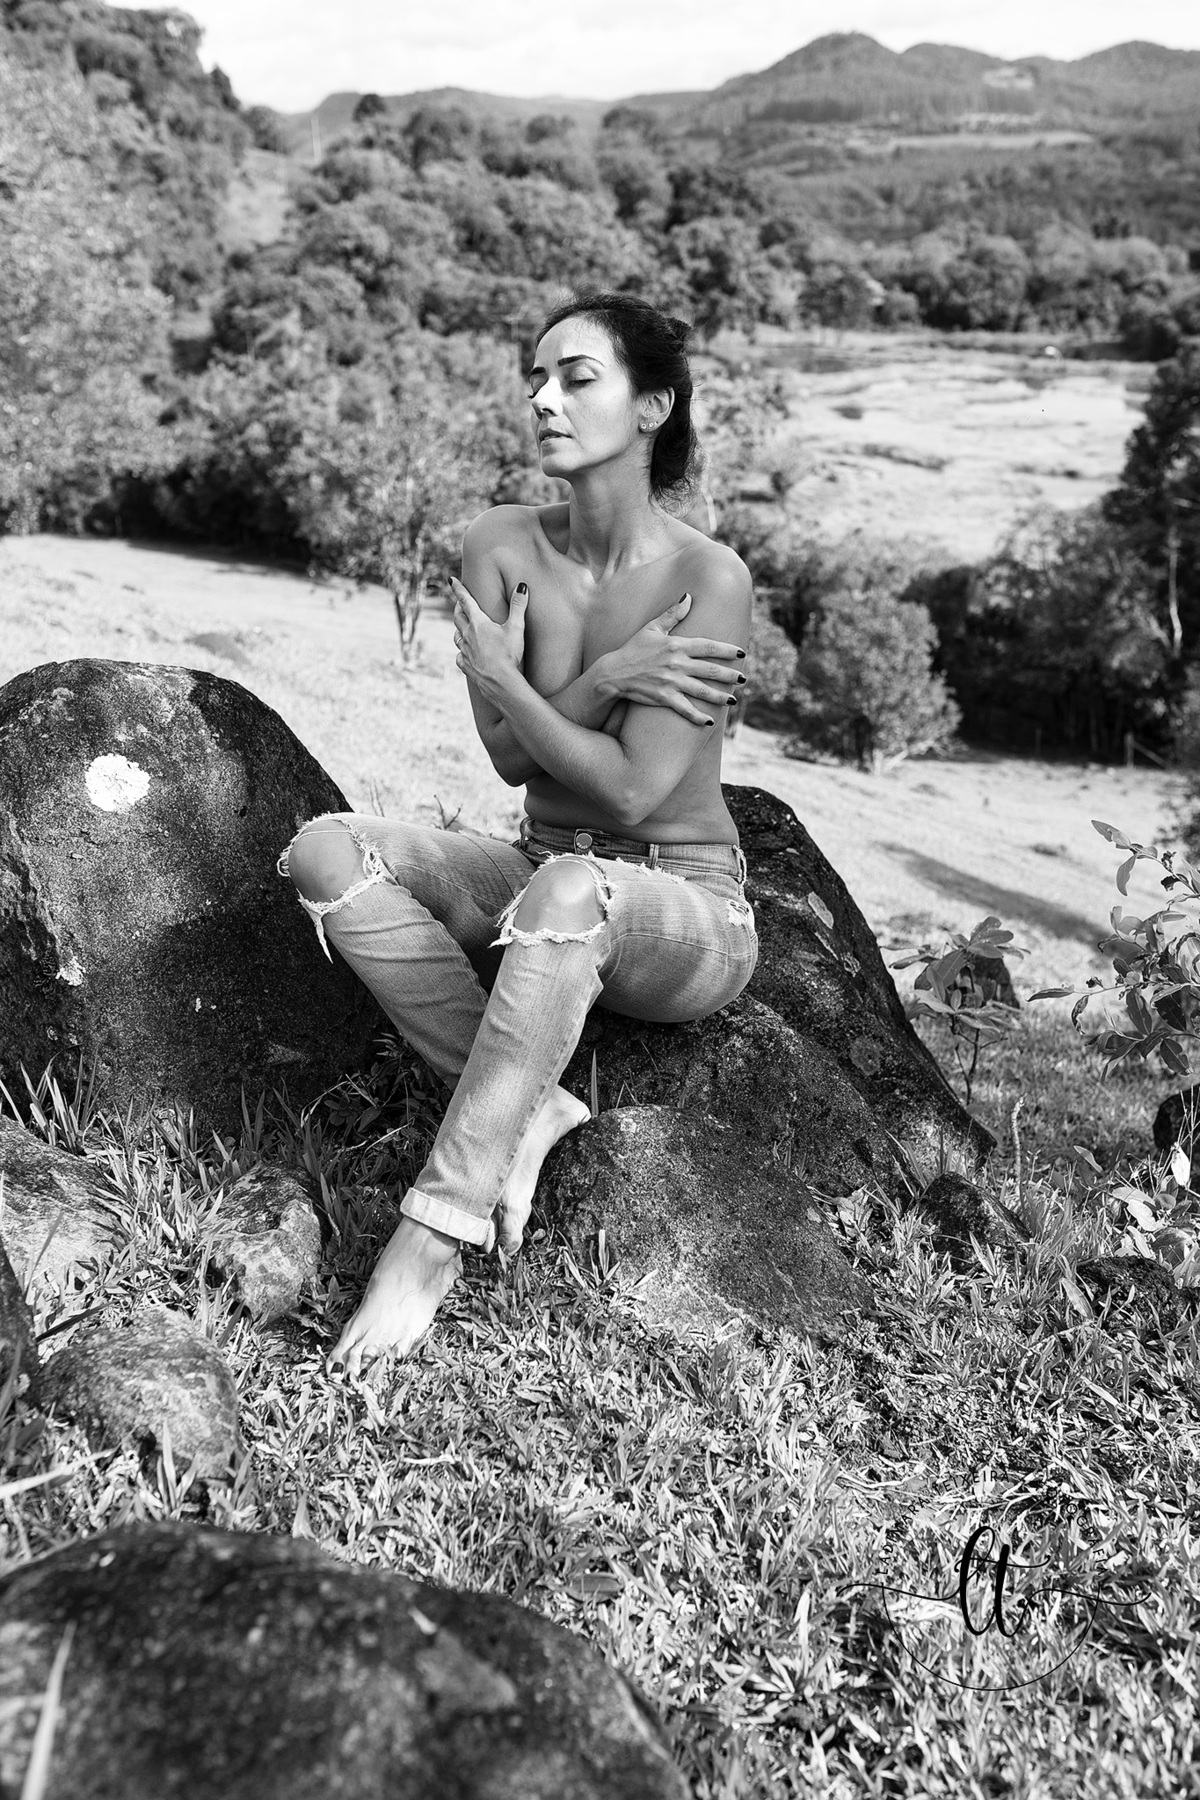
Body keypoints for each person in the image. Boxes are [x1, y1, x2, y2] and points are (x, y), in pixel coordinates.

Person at [278, 290, 758, 1375]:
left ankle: (432, 1236)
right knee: (326, 851)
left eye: (577, 379)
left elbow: (630, 794)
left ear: (652, 407)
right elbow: (509, 759)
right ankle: (530, 1109)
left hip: (683, 904)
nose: (543, 398)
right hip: (541, 868)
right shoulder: (500, 541)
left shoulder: (708, 578)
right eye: (535, 379)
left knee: (573, 885)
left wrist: (511, 678)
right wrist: (609, 675)